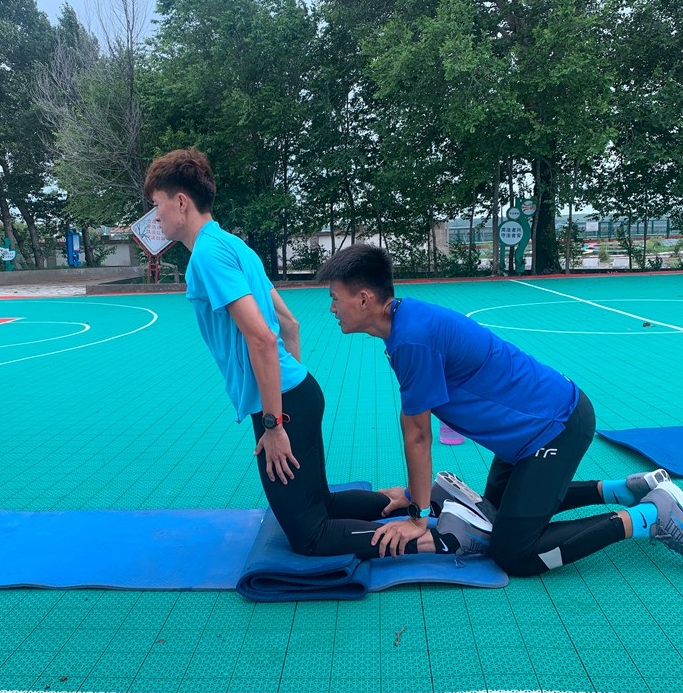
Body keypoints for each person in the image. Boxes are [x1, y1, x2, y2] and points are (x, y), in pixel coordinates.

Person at [144, 147, 453, 560]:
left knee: (311, 536)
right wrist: (293, 393)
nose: (155, 216)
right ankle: (411, 501)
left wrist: (275, 423)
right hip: (298, 393)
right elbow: (289, 323)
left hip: (283, 405)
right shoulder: (233, 246)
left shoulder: (206, 256)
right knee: (320, 504)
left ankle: (432, 541)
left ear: (181, 201)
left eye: (157, 204)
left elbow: (262, 337)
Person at [316, 242, 683, 574]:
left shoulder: (412, 337)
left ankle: (651, 515)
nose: (332, 308)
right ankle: (623, 489)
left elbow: (418, 435)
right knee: (493, 512)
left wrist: (417, 516)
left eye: (334, 298)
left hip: (555, 426)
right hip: (527, 434)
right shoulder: (407, 324)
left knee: (515, 552)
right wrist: (413, 494)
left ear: (363, 299)